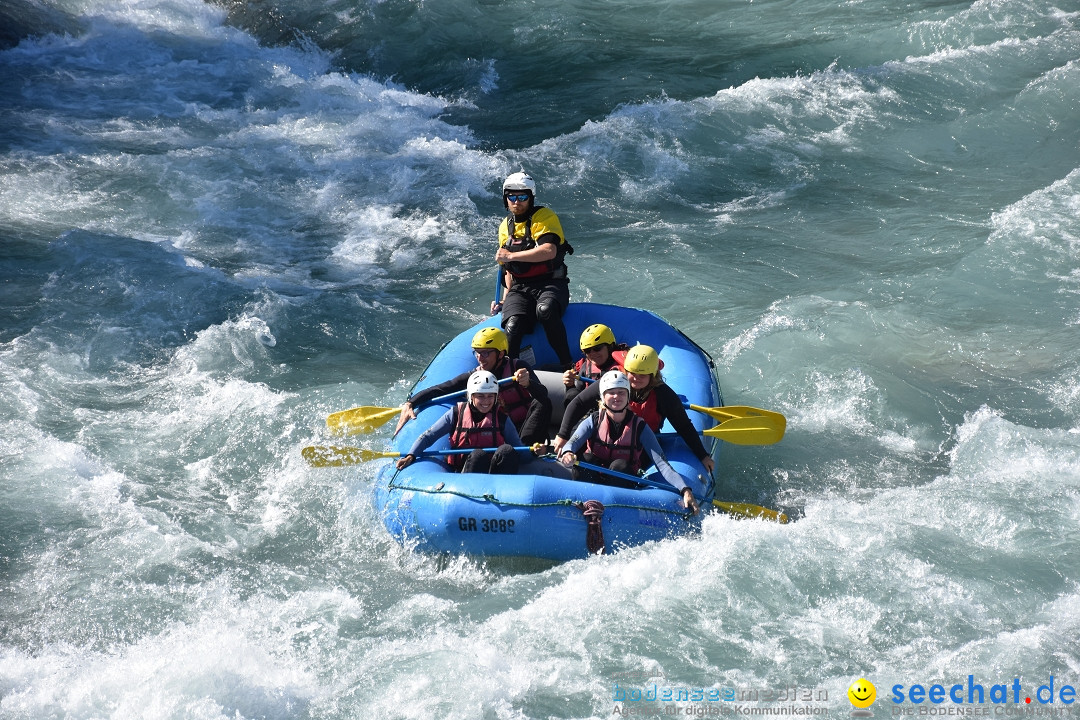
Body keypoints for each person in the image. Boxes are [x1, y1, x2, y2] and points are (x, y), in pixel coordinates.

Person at [552, 344, 716, 476]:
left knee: (619, 467)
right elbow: (579, 402)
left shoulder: (663, 394)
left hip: (638, 448)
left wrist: (703, 455)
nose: (635, 378)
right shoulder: (613, 380)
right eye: (632, 373)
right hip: (603, 441)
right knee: (583, 460)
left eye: (642, 375)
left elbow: (683, 426)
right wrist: (563, 435)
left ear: (653, 375)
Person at [558, 371, 699, 514]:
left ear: (628, 397)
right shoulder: (593, 421)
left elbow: (662, 464)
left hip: (621, 484)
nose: (616, 397)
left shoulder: (640, 427)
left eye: (621, 392)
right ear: (602, 396)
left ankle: (614, 511)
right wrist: (568, 452)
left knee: (620, 466)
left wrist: (685, 489)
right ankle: (581, 505)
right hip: (593, 478)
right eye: (611, 392)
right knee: (586, 459)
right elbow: (572, 443)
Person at [394, 327, 552, 445]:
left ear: (501, 354)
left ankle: (522, 450)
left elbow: (543, 394)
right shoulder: (474, 377)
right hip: (499, 431)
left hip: (526, 428)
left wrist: (529, 384)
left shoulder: (518, 367)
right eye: (477, 353)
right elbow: (442, 389)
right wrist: (411, 403)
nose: (480, 358)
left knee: (542, 402)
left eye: (485, 353)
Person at [490, 171, 574, 368]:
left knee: (545, 310)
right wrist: (505, 297)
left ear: (531, 197)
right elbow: (508, 270)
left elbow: (549, 251)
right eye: (512, 196)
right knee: (513, 325)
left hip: (551, 283)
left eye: (522, 197)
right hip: (520, 288)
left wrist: (510, 255)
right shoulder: (505, 226)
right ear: (506, 199)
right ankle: (509, 375)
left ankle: (567, 364)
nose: (516, 201)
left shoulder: (544, 216)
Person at [395, 370, 533, 474]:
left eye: (490, 396)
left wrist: (535, 452)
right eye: (480, 396)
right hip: (464, 475)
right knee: (478, 455)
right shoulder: (455, 414)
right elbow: (429, 436)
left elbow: (519, 450)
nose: (486, 401)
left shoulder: (502, 419)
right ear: (471, 397)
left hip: (495, 478)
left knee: (507, 451)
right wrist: (411, 455)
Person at [561, 323, 630, 406]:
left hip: (618, 409)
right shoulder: (585, 367)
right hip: (593, 412)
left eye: (597, 348)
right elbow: (578, 396)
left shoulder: (626, 365)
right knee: (571, 396)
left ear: (610, 346)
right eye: (587, 350)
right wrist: (570, 385)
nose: (592, 354)